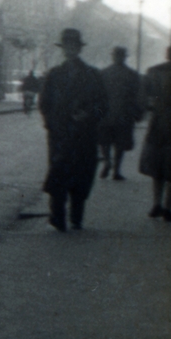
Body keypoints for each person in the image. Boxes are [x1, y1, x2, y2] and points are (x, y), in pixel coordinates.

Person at [38, 27, 108, 230]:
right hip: (60, 134)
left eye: (74, 46)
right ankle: (57, 216)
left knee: (82, 174)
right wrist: (51, 123)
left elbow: (103, 105)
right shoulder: (54, 75)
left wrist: (88, 114)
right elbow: (44, 103)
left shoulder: (93, 75)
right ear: (63, 49)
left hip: (84, 133)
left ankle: (76, 216)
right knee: (58, 173)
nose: (70, 50)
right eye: (67, 46)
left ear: (79, 48)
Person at [138, 44, 171, 222]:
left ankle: (156, 204)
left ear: (167, 54)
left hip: (158, 124)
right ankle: (168, 208)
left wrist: (149, 108)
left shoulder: (153, 71)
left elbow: (143, 97)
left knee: (157, 166)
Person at [97, 46, 145, 182]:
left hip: (107, 114)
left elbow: (97, 95)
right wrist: (139, 112)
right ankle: (116, 170)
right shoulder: (132, 74)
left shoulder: (104, 73)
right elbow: (139, 95)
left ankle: (108, 161)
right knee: (120, 144)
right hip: (124, 115)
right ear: (125, 57)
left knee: (105, 141)